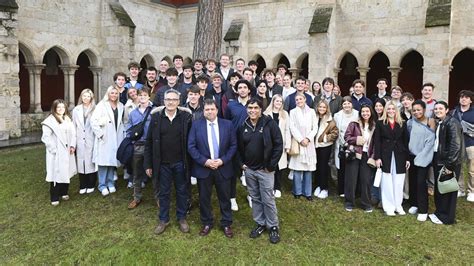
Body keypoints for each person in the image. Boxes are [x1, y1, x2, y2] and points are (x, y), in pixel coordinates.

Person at [144, 89, 193, 235]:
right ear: (163, 101)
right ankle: (163, 219)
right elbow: (149, 141)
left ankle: (182, 217)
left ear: (179, 101)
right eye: (168, 99)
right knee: (164, 192)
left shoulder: (185, 117)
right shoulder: (156, 118)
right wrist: (148, 164)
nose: (170, 102)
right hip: (162, 163)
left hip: (180, 162)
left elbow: (191, 141)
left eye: (174, 99)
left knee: (182, 191)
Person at [188, 99, 237, 238]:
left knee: (225, 197)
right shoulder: (196, 125)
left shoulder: (227, 125)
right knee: (204, 198)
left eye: (212, 109)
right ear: (203, 111)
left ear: (217, 110)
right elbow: (191, 147)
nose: (209, 112)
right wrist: (205, 161)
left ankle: (226, 223)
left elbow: (233, 146)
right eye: (207, 109)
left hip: (223, 167)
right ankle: (206, 222)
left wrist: (222, 160)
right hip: (204, 169)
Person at [238, 98, 283, 244]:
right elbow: (238, 147)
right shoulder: (243, 125)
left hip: (265, 170)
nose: (252, 110)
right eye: (250, 108)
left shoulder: (270, 124)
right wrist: (241, 164)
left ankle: (273, 226)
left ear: (261, 109)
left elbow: (278, 145)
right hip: (249, 170)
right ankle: (260, 223)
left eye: (256, 108)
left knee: (268, 199)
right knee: (255, 198)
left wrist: (270, 166)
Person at [429, 101, 465, 225]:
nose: (438, 110)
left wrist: (449, 165)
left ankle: (447, 217)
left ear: (447, 109)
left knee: (448, 190)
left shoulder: (452, 123)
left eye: (440, 108)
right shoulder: (442, 122)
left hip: (448, 162)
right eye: (436, 109)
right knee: (441, 189)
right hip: (439, 160)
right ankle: (440, 212)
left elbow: (456, 146)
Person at [374, 100, 410, 216]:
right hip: (385, 155)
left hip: (400, 155)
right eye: (388, 109)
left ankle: (398, 205)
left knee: (399, 181)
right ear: (385, 110)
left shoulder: (402, 123)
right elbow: (377, 142)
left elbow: (406, 141)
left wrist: (407, 158)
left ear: (396, 110)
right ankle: (389, 206)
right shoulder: (380, 123)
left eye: (393, 109)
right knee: (387, 180)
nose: (391, 111)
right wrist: (377, 157)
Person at [90, 86, 125, 196]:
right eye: (112, 93)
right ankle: (102, 185)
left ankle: (110, 183)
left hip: (116, 136)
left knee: (111, 161)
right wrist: (100, 134)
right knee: (103, 162)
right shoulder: (101, 105)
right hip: (105, 137)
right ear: (108, 94)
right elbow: (93, 121)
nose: (114, 95)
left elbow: (122, 122)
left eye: (116, 93)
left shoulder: (121, 106)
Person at [41, 99, 77, 206]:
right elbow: (46, 138)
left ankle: (64, 192)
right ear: (54, 108)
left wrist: (72, 146)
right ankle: (54, 196)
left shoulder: (67, 119)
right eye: (58, 107)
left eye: (63, 107)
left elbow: (73, 134)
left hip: (67, 150)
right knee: (56, 173)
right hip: (56, 152)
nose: (61, 109)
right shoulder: (49, 121)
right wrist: (54, 150)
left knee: (66, 171)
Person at [407, 100, 436, 221]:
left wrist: (422, 155)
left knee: (421, 182)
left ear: (424, 110)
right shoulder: (410, 123)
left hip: (424, 156)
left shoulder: (430, 121)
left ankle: (423, 209)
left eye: (419, 109)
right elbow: (408, 138)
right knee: (412, 181)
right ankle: (414, 204)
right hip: (412, 155)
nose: (416, 112)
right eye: (414, 110)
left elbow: (431, 139)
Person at [344, 104, 376, 212]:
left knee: (366, 180)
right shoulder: (354, 124)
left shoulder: (375, 126)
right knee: (351, 179)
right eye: (363, 112)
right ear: (360, 113)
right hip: (355, 154)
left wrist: (373, 156)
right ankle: (349, 202)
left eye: (367, 111)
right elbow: (347, 137)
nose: (365, 113)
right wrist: (357, 140)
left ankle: (366, 203)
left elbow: (376, 143)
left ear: (371, 112)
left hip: (367, 156)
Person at [127, 88, 153, 209]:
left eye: (145, 95)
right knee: (137, 173)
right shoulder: (133, 113)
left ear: (149, 97)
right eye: (140, 95)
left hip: (151, 145)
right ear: (137, 97)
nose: (142, 97)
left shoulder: (154, 112)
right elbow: (129, 129)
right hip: (138, 146)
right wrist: (132, 140)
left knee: (154, 172)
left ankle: (158, 197)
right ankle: (136, 197)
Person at [289, 93, 318, 200]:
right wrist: (301, 139)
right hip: (298, 142)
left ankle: (308, 192)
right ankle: (297, 191)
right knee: (297, 168)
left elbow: (315, 127)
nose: (298, 101)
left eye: (300, 99)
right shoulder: (292, 112)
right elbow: (292, 127)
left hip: (309, 142)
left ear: (305, 99)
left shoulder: (311, 111)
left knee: (308, 169)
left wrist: (308, 138)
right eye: (296, 100)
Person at [263, 94, 291, 198]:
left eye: (280, 101)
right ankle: (270, 187)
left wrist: (288, 145)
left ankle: (277, 187)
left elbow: (288, 130)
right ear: (273, 102)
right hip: (269, 144)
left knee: (279, 167)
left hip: (281, 143)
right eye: (277, 101)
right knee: (270, 165)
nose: (278, 103)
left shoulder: (285, 114)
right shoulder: (266, 113)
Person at [72, 89, 96, 194]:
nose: (86, 98)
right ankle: (83, 185)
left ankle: (91, 184)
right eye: (84, 96)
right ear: (81, 97)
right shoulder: (76, 110)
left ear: (91, 97)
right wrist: (73, 142)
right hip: (80, 139)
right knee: (81, 162)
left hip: (91, 138)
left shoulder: (95, 109)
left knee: (91, 162)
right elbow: (74, 126)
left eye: (88, 96)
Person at [334, 96, 359, 197]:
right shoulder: (337, 115)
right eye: (344, 103)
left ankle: (354, 190)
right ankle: (342, 190)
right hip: (341, 144)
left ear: (352, 104)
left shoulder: (357, 114)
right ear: (342, 105)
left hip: (354, 144)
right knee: (342, 168)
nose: (347, 105)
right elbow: (336, 129)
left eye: (349, 103)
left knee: (353, 168)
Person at [451, 90, 474, 201]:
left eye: (466, 97)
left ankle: (471, 191)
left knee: (471, 169)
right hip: (457, 144)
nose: (463, 99)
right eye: (461, 97)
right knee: (458, 168)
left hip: (471, 143)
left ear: (471, 100)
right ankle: (460, 189)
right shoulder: (454, 112)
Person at [313, 100, 338, 199]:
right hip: (314, 145)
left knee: (323, 167)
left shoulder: (330, 119)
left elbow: (335, 133)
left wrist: (324, 139)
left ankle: (325, 188)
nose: (322, 109)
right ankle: (318, 185)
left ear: (327, 108)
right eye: (320, 107)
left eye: (324, 107)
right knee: (317, 166)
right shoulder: (314, 117)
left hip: (325, 146)